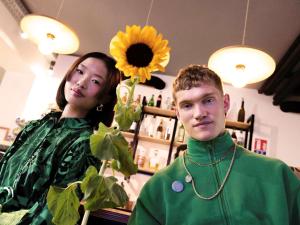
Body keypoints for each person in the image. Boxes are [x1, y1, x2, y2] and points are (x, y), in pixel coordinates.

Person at [128, 65, 300, 225]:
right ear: (178, 113)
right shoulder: (158, 187)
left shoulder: (277, 174)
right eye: (187, 105)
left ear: (225, 103)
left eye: (208, 100)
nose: (199, 113)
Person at [0, 52, 121, 224]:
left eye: (95, 81)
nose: (81, 82)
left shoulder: (86, 145)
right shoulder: (35, 126)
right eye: (80, 71)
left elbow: (52, 213)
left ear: (105, 97)